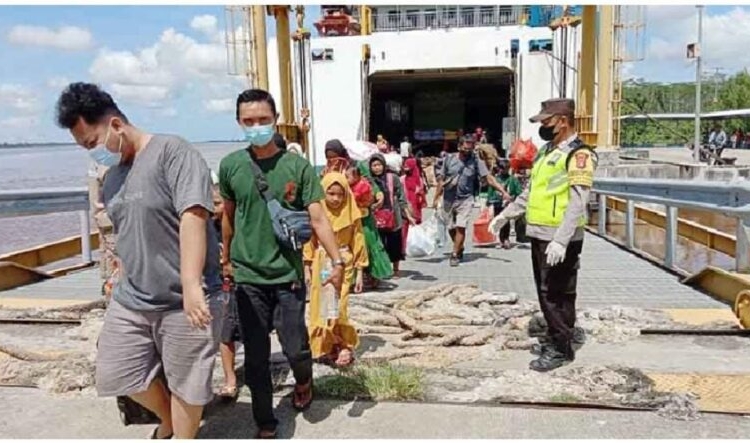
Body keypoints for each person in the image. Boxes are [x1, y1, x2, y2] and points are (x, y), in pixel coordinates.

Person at [56, 82, 223, 439]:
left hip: (184, 300)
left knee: (187, 384)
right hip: (133, 297)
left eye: (92, 143)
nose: (93, 153)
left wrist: (193, 285)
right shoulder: (113, 177)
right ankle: (168, 421)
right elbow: (127, 231)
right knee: (115, 370)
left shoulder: (172, 151)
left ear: (115, 124)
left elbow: (193, 214)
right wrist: (120, 270)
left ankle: (180, 434)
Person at [219, 89, 345, 439]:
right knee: (256, 354)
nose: (256, 126)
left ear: (274, 119)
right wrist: (225, 258)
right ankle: (265, 419)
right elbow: (228, 216)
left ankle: (303, 380)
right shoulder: (231, 165)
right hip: (247, 276)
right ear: (239, 123)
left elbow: (318, 219)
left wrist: (338, 261)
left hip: (288, 275)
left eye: (262, 120)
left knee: (295, 346)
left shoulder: (297, 167)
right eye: (248, 121)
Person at [489, 98, 597, 372]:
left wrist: (561, 239)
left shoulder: (579, 155)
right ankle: (560, 337)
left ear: (562, 120)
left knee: (555, 294)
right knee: (553, 292)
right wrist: (506, 215)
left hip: (559, 238)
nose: (543, 127)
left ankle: (560, 348)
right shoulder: (547, 152)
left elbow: (578, 200)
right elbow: (531, 192)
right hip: (539, 234)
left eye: (547, 121)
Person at [303, 172, 366, 368]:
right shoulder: (317, 213)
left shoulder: (352, 214)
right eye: (331, 193)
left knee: (340, 305)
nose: (336, 199)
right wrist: (306, 266)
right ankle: (328, 346)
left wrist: (360, 271)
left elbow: (358, 240)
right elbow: (310, 241)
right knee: (321, 306)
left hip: (344, 263)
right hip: (321, 263)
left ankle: (344, 344)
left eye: (340, 194)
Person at [432, 134, 509, 267]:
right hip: (448, 199)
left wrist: (503, 191)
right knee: (450, 227)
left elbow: (488, 178)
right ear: (459, 146)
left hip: (466, 199)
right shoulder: (449, 159)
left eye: (470, 148)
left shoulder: (476, 161)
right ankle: (459, 246)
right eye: (465, 148)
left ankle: (455, 254)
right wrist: (436, 198)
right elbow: (441, 180)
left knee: (461, 226)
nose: (468, 151)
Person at [211, 173, 241, 401]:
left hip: (240, 283)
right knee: (225, 333)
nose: (215, 209)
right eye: (212, 203)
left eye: (219, 203)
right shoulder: (204, 227)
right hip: (217, 287)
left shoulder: (238, 225)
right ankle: (230, 379)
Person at [347, 163, 394, 287]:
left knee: (369, 245)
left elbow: (372, 188)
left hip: (365, 219)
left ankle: (375, 275)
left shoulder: (361, 178)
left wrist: (379, 196)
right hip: (349, 220)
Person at [369, 153, 414, 278]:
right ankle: (382, 269)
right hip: (375, 217)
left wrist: (408, 215)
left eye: (379, 165)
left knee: (395, 243)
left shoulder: (392, 178)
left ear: (384, 165)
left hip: (393, 216)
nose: (377, 168)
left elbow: (401, 198)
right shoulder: (369, 181)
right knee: (380, 244)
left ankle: (396, 269)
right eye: (374, 165)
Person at [486, 161, 523, 249]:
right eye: (503, 169)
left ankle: (506, 239)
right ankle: (499, 239)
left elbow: (519, 191)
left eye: (506, 168)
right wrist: (489, 201)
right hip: (497, 203)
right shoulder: (496, 180)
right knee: (497, 220)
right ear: (499, 169)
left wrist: (513, 198)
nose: (504, 171)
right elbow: (491, 190)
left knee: (506, 221)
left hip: (508, 204)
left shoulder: (512, 179)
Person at [401, 155, 426, 255]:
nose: (405, 167)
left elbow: (421, 192)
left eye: (408, 165)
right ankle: (403, 247)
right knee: (404, 226)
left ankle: (414, 245)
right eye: (405, 165)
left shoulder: (418, 179)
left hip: (415, 205)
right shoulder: (403, 178)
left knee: (414, 225)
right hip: (406, 204)